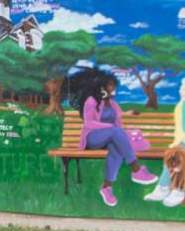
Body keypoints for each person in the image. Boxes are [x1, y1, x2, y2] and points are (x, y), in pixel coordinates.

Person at [67, 67, 159, 207]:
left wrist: (122, 134)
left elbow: (119, 127)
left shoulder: (114, 105)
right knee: (115, 131)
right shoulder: (92, 101)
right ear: (101, 87)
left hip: (110, 137)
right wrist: (110, 128)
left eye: (113, 85)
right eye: (110, 85)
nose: (113, 88)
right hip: (92, 138)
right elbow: (88, 123)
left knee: (116, 149)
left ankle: (106, 187)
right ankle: (136, 169)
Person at [144, 77, 185, 207]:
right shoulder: (180, 106)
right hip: (182, 142)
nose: (181, 91)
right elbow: (180, 129)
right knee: (173, 154)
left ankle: (179, 190)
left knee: (179, 155)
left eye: (183, 88)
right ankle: (163, 188)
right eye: (182, 88)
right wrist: (178, 143)